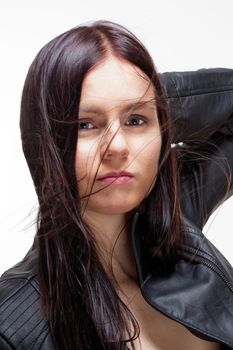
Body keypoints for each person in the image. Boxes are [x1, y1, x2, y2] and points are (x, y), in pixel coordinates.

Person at [0, 20, 232, 350]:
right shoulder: (12, 321)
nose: (117, 147)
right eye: (85, 125)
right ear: (45, 142)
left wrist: (149, 98)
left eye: (136, 121)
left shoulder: (181, 226)